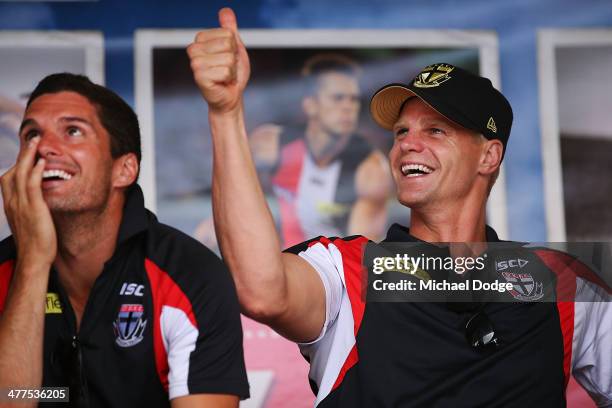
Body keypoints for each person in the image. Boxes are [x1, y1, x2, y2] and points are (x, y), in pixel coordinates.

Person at [189, 8, 611, 407]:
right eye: (401, 131)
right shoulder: (347, 271)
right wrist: (226, 114)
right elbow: (261, 290)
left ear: (488, 156)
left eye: (436, 129)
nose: (408, 142)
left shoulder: (560, 282)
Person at [0, 73, 249, 407]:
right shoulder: (5, 270)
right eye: (31, 135)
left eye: (72, 131)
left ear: (124, 170)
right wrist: (31, 261)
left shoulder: (190, 276)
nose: (43, 147)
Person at [194, 53, 391, 249]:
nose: (348, 107)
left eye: (354, 100)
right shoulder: (269, 145)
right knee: (207, 233)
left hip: (330, 273)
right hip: (275, 260)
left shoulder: (371, 169)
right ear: (310, 105)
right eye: (338, 98)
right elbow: (229, 204)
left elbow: (360, 255)